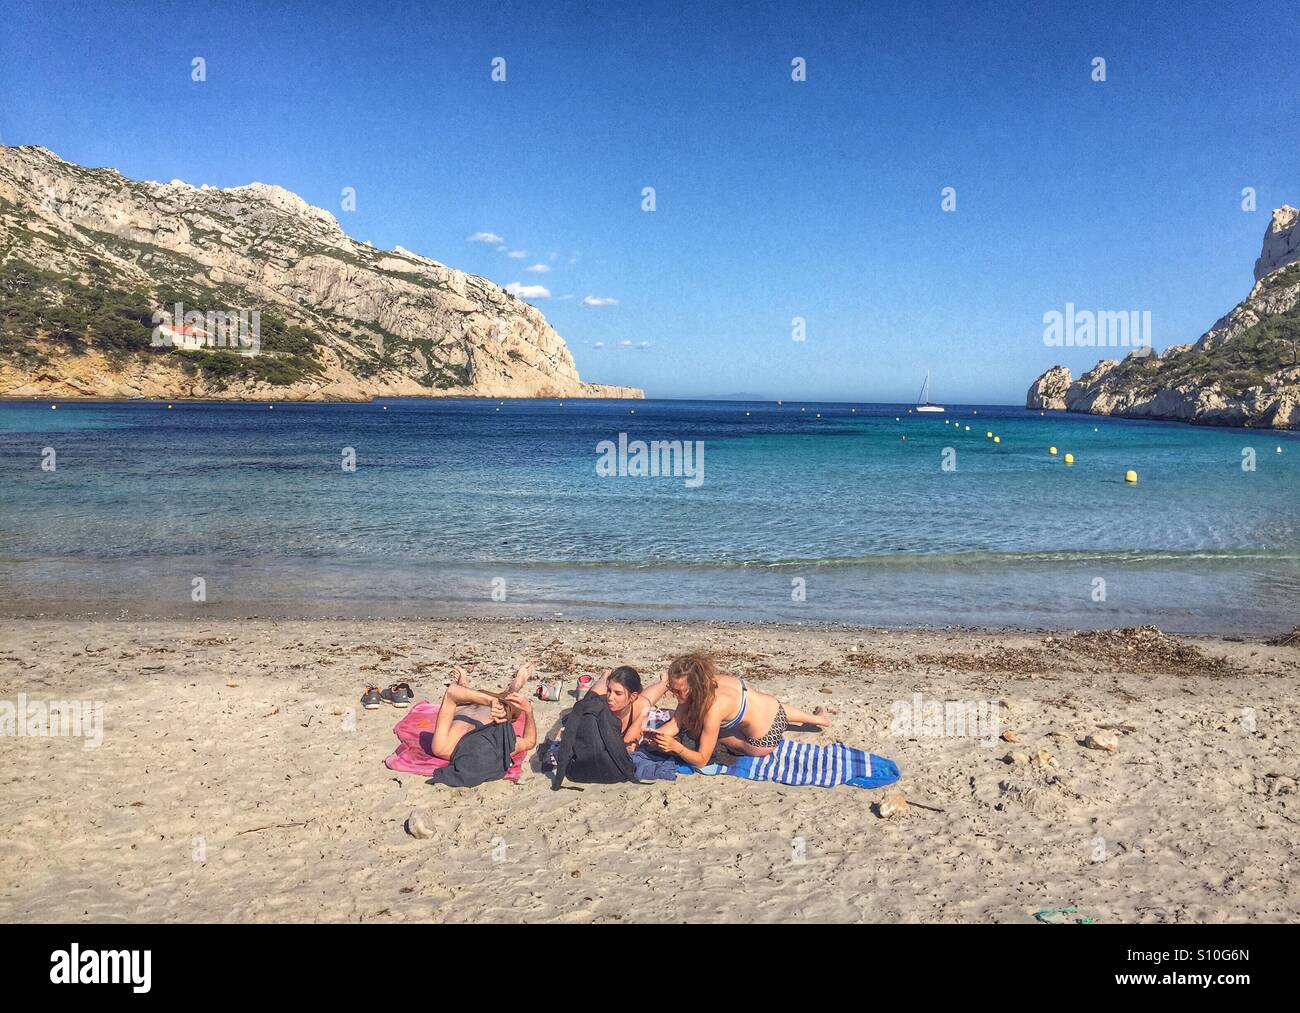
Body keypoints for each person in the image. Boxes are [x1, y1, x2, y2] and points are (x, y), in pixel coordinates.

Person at [642, 652, 829, 766]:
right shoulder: (711, 679)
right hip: (777, 709)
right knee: (693, 720)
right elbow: (677, 720)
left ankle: (817, 720)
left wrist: (678, 747)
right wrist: (656, 735)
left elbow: (702, 759)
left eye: (678, 690)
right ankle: (820, 720)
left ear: (694, 686)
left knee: (695, 731)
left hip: (763, 742)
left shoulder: (713, 708)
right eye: (671, 688)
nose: (673, 693)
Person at [430, 661, 537, 764]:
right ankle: (515, 686)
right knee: (511, 697)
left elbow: (452, 692)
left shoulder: (442, 748)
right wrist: (528, 710)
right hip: (501, 703)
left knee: (459, 697)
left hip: (467, 701)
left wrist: (490, 700)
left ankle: (463, 683)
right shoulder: (499, 748)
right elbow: (529, 742)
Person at [588, 665, 666, 751]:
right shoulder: (599, 702)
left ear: (633, 697)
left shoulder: (642, 707)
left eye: (618, 693)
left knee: (645, 702)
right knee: (598, 691)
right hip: (599, 695)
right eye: (609, 691)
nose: (610, 697)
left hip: (635, 704)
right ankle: (604, 677)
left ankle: (664, 682)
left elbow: (627, 743)